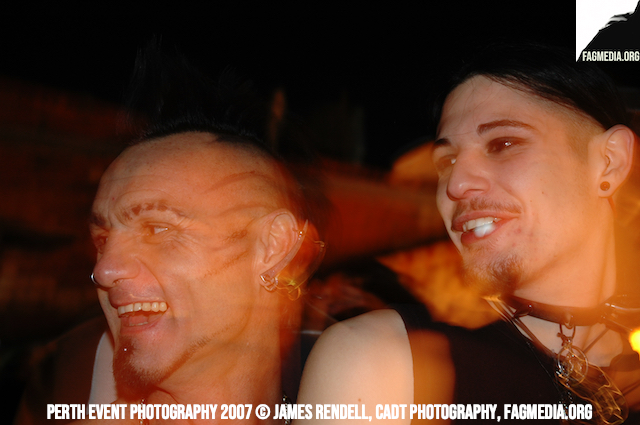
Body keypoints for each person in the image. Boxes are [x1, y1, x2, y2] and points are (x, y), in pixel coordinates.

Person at [297, 43, 640, 424]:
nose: (455, 184)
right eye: (447, 160)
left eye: (503, 144)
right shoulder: (381, 360)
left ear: (609, 163)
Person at [16, 45, 326, 425]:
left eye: (157, 229)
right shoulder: (59, 391)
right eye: (102, 240)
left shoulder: (360, 386)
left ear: (272, 246)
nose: (105, 270)